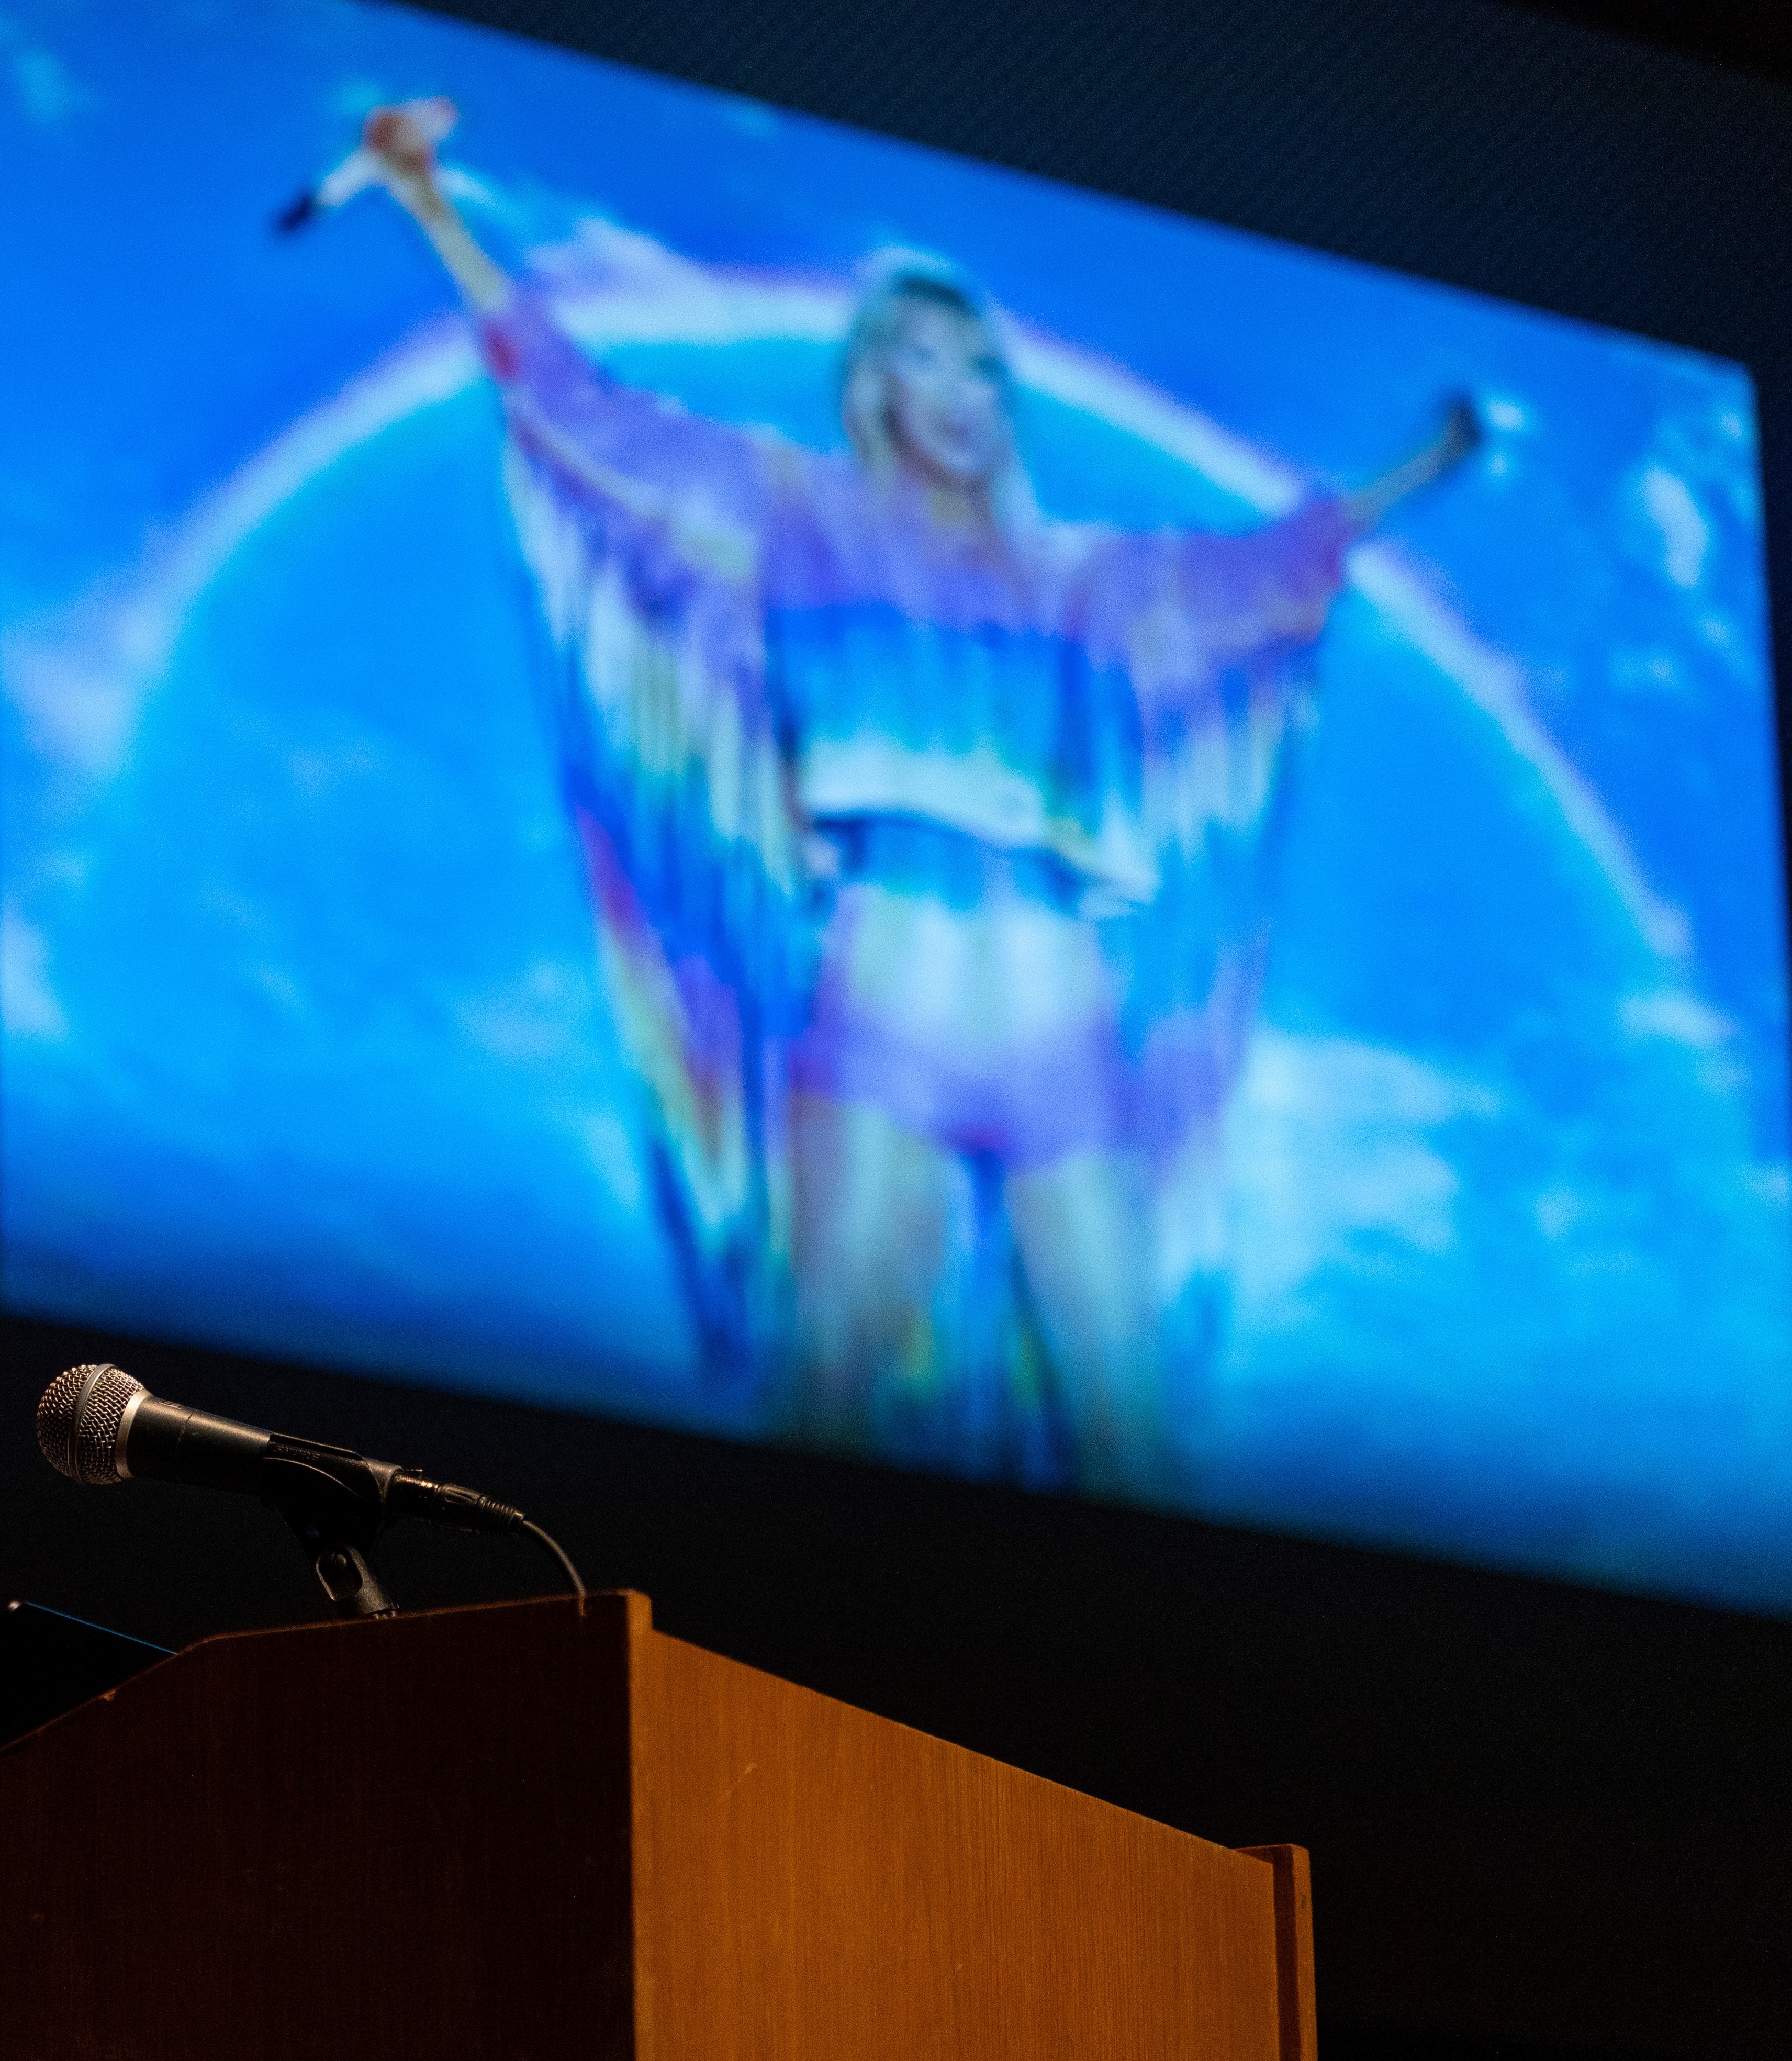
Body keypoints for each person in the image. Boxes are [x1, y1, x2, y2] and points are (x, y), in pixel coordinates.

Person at [361, 100, 1479, 1492]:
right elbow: (585, 408)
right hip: (883, 1017)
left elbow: (1266, 566)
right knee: (826, 1406)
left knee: (1129, 1440)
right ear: (876, 383)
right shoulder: (792, 510)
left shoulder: (1083, 578)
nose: (963, 389)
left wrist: (1423, 470)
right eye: (927, 358)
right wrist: (431, 205)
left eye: (985, 368)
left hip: (1062, 1038)